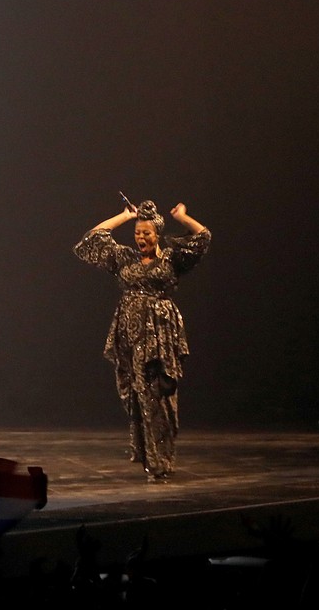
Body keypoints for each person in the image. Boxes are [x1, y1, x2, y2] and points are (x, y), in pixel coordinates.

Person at [73, 199, 211, 482]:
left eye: (146, 233)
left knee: (158, 394)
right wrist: (125, 216)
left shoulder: (171, 258)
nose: (141, 238)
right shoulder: (125, 259)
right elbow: (92, 240)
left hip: (159, 336)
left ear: (157, 234)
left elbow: (203, 238)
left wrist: (183, 217)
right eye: (137, 234)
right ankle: (152, 459)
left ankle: (161, 459)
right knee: (139, 396)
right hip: (130, 336)